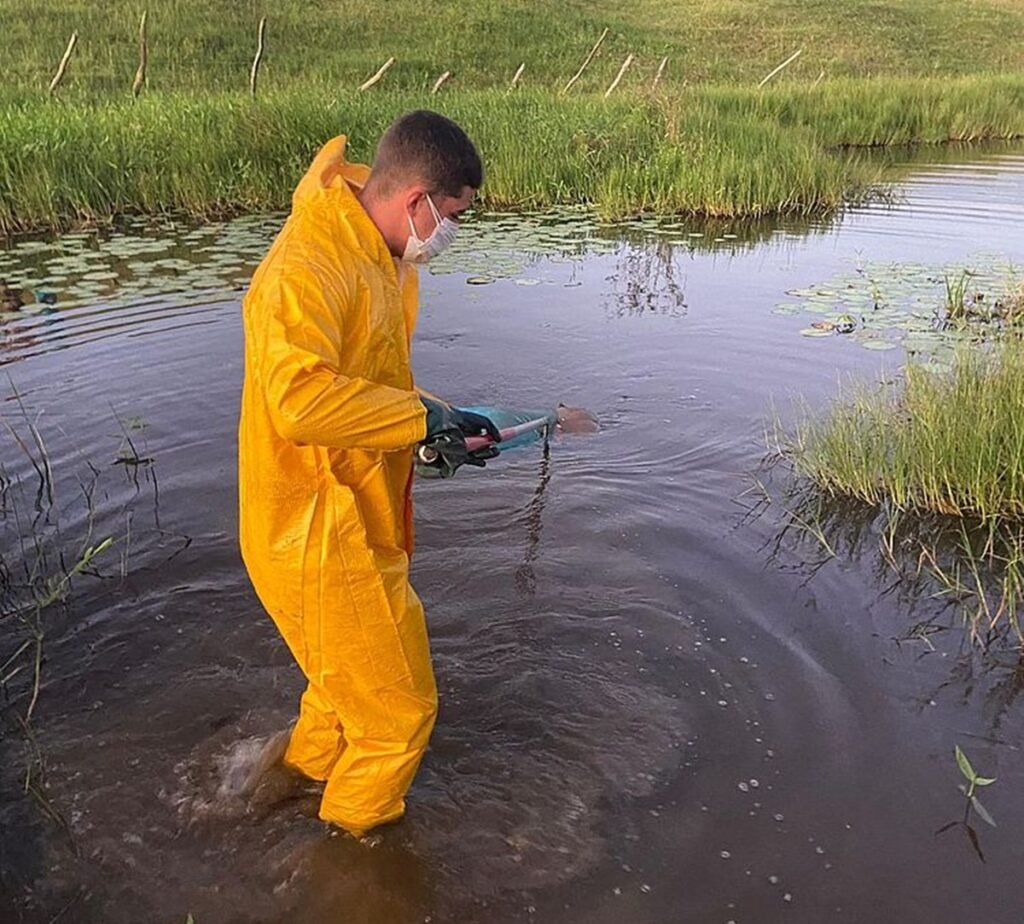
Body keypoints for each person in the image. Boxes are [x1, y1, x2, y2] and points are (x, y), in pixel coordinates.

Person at [238, 111, 501, 838]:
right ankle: (349, 863)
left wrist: (436, 419)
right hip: (316, 535)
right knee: (397, 715)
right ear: (415, 197)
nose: (446, 234)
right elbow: (299, 402)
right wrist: (419, 422)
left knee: (339, 693)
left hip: (353, 516)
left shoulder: (370, 247)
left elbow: (364, 382)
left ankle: (277, 791)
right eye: (449, 217)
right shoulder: (306, 268)